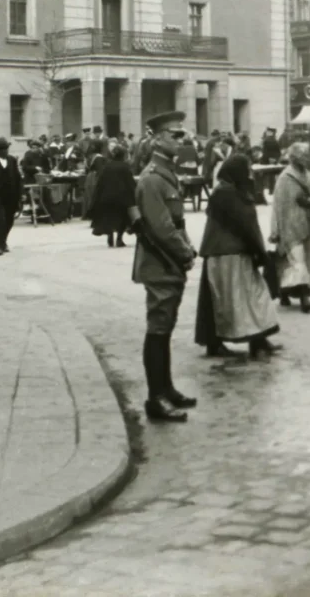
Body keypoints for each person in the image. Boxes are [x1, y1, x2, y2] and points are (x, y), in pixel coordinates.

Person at [131, 111, 198, 423]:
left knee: (165, 326)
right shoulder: (153, 179)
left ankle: (166, 388)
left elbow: (177, 222)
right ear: (157, 138)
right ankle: (155, 398)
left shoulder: (165, 173)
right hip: (160, 262)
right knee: (158, 329)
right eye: (175, 134)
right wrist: (184, 252)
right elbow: (162, 229)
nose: (180, 139)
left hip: (169, 262)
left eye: (182, 134)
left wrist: (187, 246)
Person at [195, 153, 282, 359]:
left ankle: (223, 343)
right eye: (247, 170)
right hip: (232, 255)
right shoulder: (231, 194)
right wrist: (261, 254)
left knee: (222, 301)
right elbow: (248, 227)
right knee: (252, 298)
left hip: (220, 254)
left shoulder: (224, 191)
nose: (250, 175)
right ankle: (257, 343)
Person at [270, 141, 310, 312]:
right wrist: (275, 230)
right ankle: (303, 297)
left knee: (305, 261)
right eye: (303, 156)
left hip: (307, 224)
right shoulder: (285, 178)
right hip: (289, 226)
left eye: (307, 156)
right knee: (296, 261)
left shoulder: (308, 175)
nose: (306, 159)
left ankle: (286, 292)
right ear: (293, 158)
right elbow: (277, 206)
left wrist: (309, 202)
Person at [89, 146, 134, 248]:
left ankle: (110, 237)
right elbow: (130, 183)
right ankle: (119, 239)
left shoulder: (107, 166)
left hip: (107, 197)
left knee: (109, 218)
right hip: (122, 198)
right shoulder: (125, 167)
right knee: (123, 218)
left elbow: (100, 183)